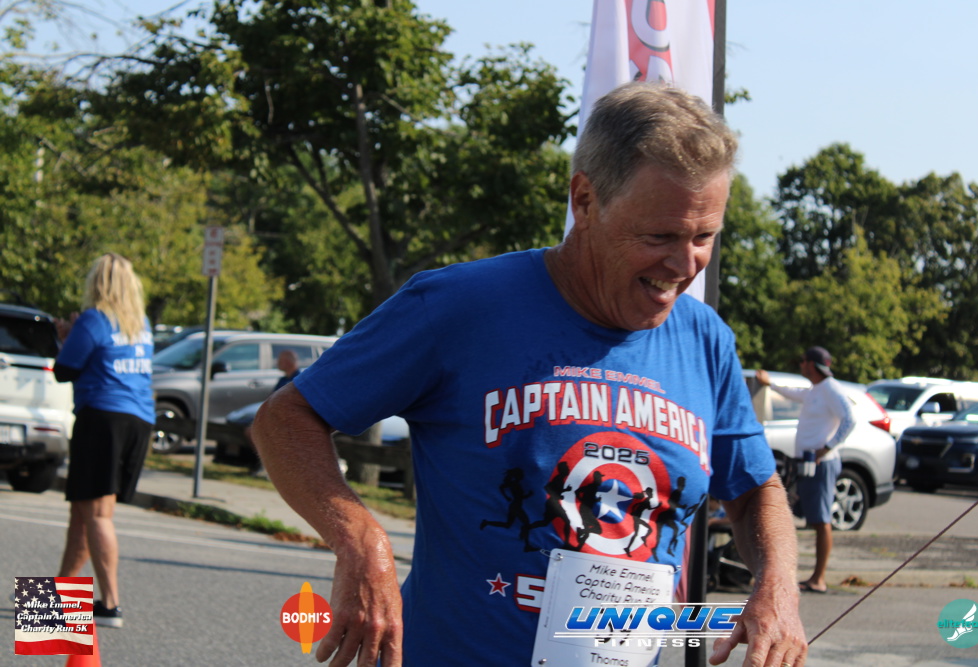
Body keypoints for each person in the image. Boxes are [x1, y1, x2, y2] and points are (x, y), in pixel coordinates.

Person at [253, 82, 808, 667]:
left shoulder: (705, 340)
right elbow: (285, 418)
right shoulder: (460, 307)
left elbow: (755, 490)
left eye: (704, 236)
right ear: (585, 201)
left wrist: (778, 586)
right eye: (659, 236)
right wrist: (361, 539)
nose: (684, 263)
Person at [52, 253, 155, 628]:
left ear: (97, 283)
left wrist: (65, 339)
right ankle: (59, 596)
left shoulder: (94, 319)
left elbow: (64, 369)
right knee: (82, 512)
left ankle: (110, 604)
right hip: (138, 420)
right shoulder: (140, 323)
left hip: (102, 418)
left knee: (96, 514)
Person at [755, 346, 857, 595]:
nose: (800, 365)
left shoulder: (831, 389)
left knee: (821, 520)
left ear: (811, 364)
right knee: (813, 518)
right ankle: (812, 576)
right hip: (809, 462)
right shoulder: (816, 390)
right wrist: (770, 384)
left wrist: (827, 447)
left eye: (803, 361)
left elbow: (850, 419)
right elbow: (794, 393)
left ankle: (818, 579)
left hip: (822, 463)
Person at [245, 349, 300, 474]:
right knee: (251, 431)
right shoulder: (283, 380)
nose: (277, 363)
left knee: (257, 433)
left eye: (280, 360)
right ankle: (266, 465)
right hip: (275, 418)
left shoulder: (298, 380)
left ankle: (270, 466)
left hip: (287, 422)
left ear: (288, 362)